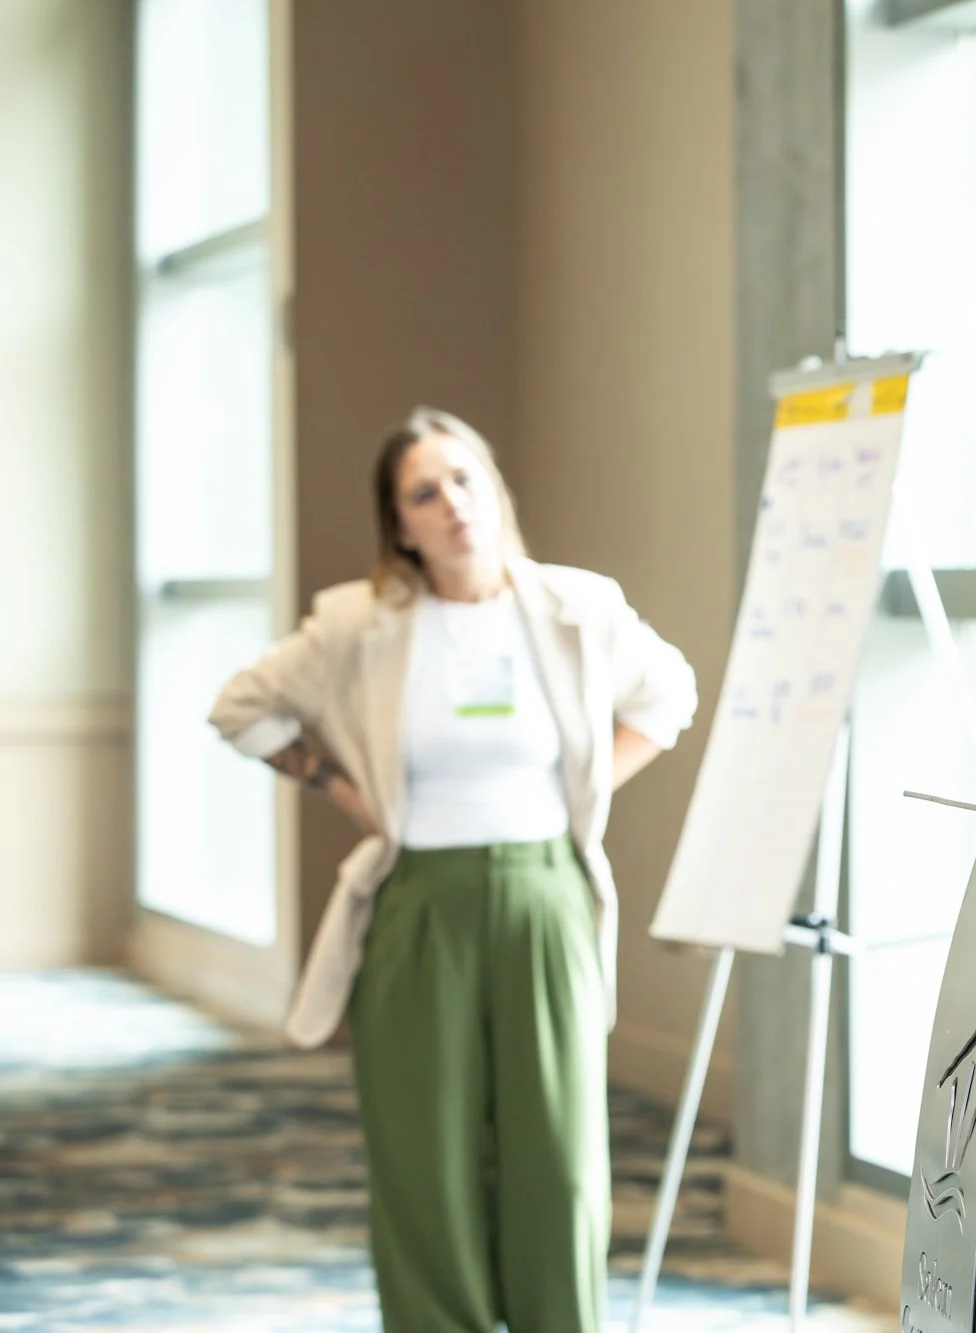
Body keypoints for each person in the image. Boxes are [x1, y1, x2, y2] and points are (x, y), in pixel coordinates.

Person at [209, 407, 698, 1333]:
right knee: (422, 1153)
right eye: (424, 494)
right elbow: (242, 709)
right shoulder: (359, 623)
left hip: (545, 895)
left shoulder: (576, 606)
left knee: (558, 1153)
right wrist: (339, 787)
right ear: (399, 525)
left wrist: (589, 786)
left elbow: (670, 692)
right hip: (417, 905)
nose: (453, 505)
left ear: (496, 491)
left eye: (466, 480)